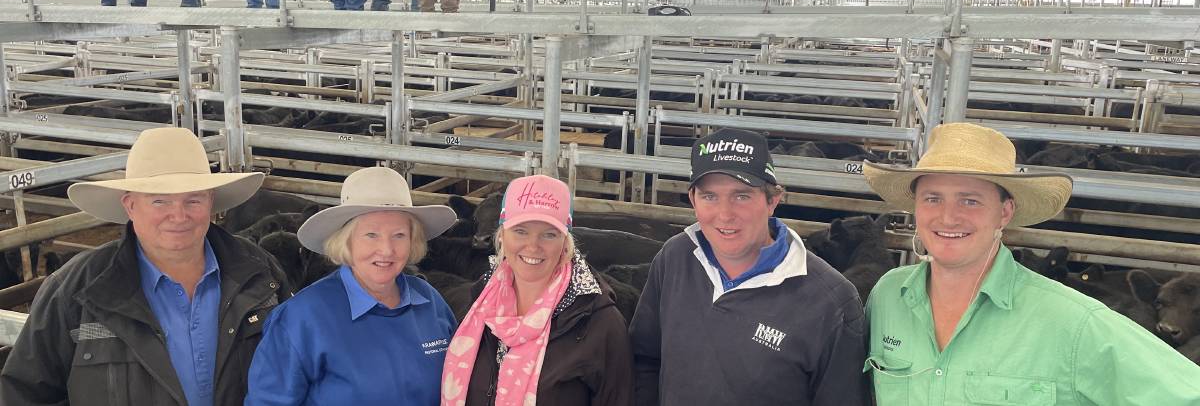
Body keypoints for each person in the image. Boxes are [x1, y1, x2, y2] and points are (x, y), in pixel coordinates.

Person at [863, 122, 1200, 404]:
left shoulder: (1074, 320)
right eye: (932, 199)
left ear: (1005, 212)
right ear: (916, 209)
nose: (948, 217)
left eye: (970, 200)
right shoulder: (888, 295)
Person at [0, 127, 291, 405]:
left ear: (211, 202)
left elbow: (296, 368)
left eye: (193, 200)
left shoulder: (260, 272)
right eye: (160, 201)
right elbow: (26, 394)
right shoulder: (73, 290)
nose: (179, 216)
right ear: (130, 205)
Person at [629, 128, 868, 406]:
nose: (725, 214)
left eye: (741, 196)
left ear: (772, 201)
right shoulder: (676, 257)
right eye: (709, 196)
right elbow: (645, 359)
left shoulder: (832, 303)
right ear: (693, 199)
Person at [245, 166, 458, 405]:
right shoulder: (301, 318)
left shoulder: (430, 302)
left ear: (413, 242)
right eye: (371, 235)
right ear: (345, 241)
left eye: (399, 235)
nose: (387, 250)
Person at [442, 174, 633, 406]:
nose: (533, 246)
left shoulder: (599, 322)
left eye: (549, 234)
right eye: (520, 231)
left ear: (565, 242)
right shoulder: (479, 304)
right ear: (501, 235)